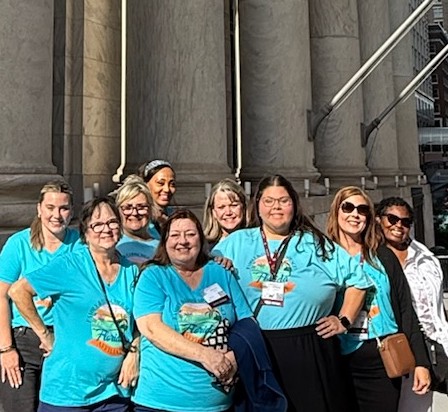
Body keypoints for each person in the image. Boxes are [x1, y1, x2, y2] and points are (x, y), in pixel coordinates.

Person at [213, 175, 373, 412]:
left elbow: (357, 280)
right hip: (255, 347)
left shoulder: (314, 243)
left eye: (283, 201)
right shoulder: (236, 243)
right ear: (257, 206)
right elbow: (203, 278)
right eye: (268, 201)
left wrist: (344, 320)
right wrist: (218, 264)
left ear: (294, 205)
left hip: (309, 349)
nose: (276, 207)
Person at [8, 197, 139, 411]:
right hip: (67, 393)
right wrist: (44, 334)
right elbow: (18, 291)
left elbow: (141, 321)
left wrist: (134, 352)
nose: (106, 229)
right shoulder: (70, 265)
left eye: (112, 222)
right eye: (97, 224)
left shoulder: (131, 270)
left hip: (114, 393)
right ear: (86, 232)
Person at [132, 209, 253, 412]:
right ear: (164, 241)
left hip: (218, 405)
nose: (183, 241)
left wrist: (235, 355)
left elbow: (247, 322)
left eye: (190, 234)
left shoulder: (220, 272)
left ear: (201, 239)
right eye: (175, 235)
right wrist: (206, 356)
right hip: (161, 402)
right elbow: (152, 329)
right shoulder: (153, 276)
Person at [326, 187, 431, 412]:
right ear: (336, 212)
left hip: (382, 358)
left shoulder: (382, 255)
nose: (355, 214)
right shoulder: (322, 256)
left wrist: (421, 363)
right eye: (348, 207)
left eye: (362, 210)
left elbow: (406, 309)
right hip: (338, 357)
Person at [0, 180, 79, 412]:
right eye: (50, 208)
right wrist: (6, 349)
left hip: (65, 338)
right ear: (39, 209)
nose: (57, 215)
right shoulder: (18, 244)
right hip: (24, 339)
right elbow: (1, 296)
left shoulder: (79, 244)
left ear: (71, 211)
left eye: (64, 208)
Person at [376, 196, 448, 412]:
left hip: (432, 343)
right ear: (379, 220)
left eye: (405, 221)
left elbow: (436, 306)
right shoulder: (371, 258)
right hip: (393, 345)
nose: (399, 225)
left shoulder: (425, 257)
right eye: (392, 219)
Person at [115, 177, 159, 265]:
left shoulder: (161, 246)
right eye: (127, 208)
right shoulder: (111, 243)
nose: (134, 213)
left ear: (150, 209)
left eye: (141, 207)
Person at [203, 178, 247, 249]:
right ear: (213, 212)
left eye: (234, 205)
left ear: (244, 208)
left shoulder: (258, 241)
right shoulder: (204, 247)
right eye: (221, 207)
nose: (228, 212)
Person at [137, 159, 176, 239]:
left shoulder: (175, 216)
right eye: (160, 183)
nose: (167, 189)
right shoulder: (137, 216)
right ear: (146, 184)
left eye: (172, 184)